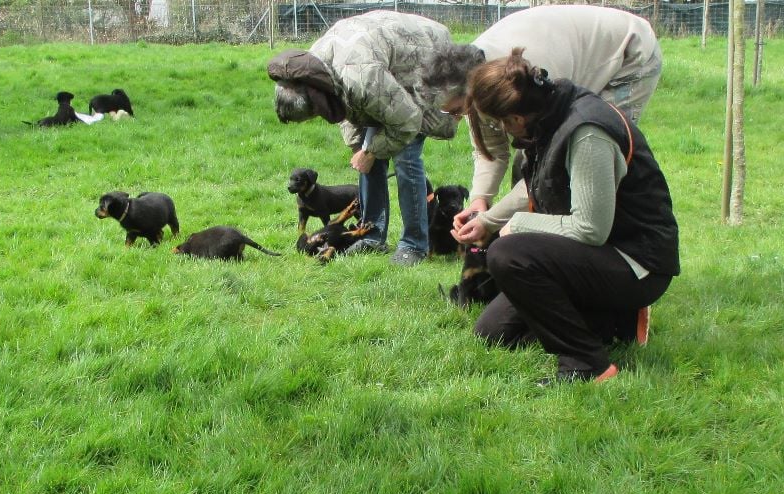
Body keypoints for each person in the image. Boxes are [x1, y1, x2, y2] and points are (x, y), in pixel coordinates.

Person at [452, 50, 679, 385]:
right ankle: (611, 321)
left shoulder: (586, 132)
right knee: (494, 333)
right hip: (598, 255)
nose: (500, 129)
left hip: (637, 263)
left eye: (498, 122)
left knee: (508, 254)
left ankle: (588, 365)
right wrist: (487, 221)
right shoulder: (547, 116)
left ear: (515, 118)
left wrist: (517, 227)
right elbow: (537, 184)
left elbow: (590, 229)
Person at [423, 4, 663, 228]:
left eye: (455, 111)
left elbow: (546, 168)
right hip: (571, 48)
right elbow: (490, 150)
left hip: (628, 53)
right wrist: (479, 199)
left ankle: (595, 235)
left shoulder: (525, 79)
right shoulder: (474, 74)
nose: (455, 118)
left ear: (470, 91)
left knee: (587, 153)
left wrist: (496, 221)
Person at [268, 11, 461, 266]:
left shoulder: (361, 78)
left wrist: (370, 152)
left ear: (314, 103)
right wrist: (359, 148)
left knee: (406, 156)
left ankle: (414, 244)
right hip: (381, 66)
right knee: (368, 154)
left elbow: (407, 122)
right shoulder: (313, 71)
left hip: (421, 59)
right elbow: (346, 107)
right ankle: (372, 235)